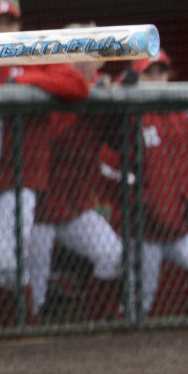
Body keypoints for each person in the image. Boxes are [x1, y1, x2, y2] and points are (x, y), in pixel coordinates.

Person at [0, 0, 91, 325]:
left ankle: (23, 326)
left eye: (10, 22)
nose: (5, 28)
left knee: (11, 256)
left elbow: (76, 85)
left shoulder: (33, 51)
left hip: (23, 170)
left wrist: (23, 80)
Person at [23, 37, 120, 321]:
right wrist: (88, 99)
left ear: (99, 61)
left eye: (88, 54)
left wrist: (111, 106)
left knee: (113, 255)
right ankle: (29, 330)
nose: (80, 61)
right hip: (40, 208)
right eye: (73, 54)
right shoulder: (48, 86)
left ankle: (96, 321)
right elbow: (54, 137)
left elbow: (121, 143)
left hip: (74, 206)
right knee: (34, 277)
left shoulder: (103, 92)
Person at [105, 51, 188, 315]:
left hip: (177, 226)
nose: (156, 77)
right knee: (140, 299)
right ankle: (118, 341)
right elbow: (112, 155)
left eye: (160, 72)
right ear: (137, 77)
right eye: (148, 72)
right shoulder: (129, 115)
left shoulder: (180, 115)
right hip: (142, 230)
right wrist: (122, 88)